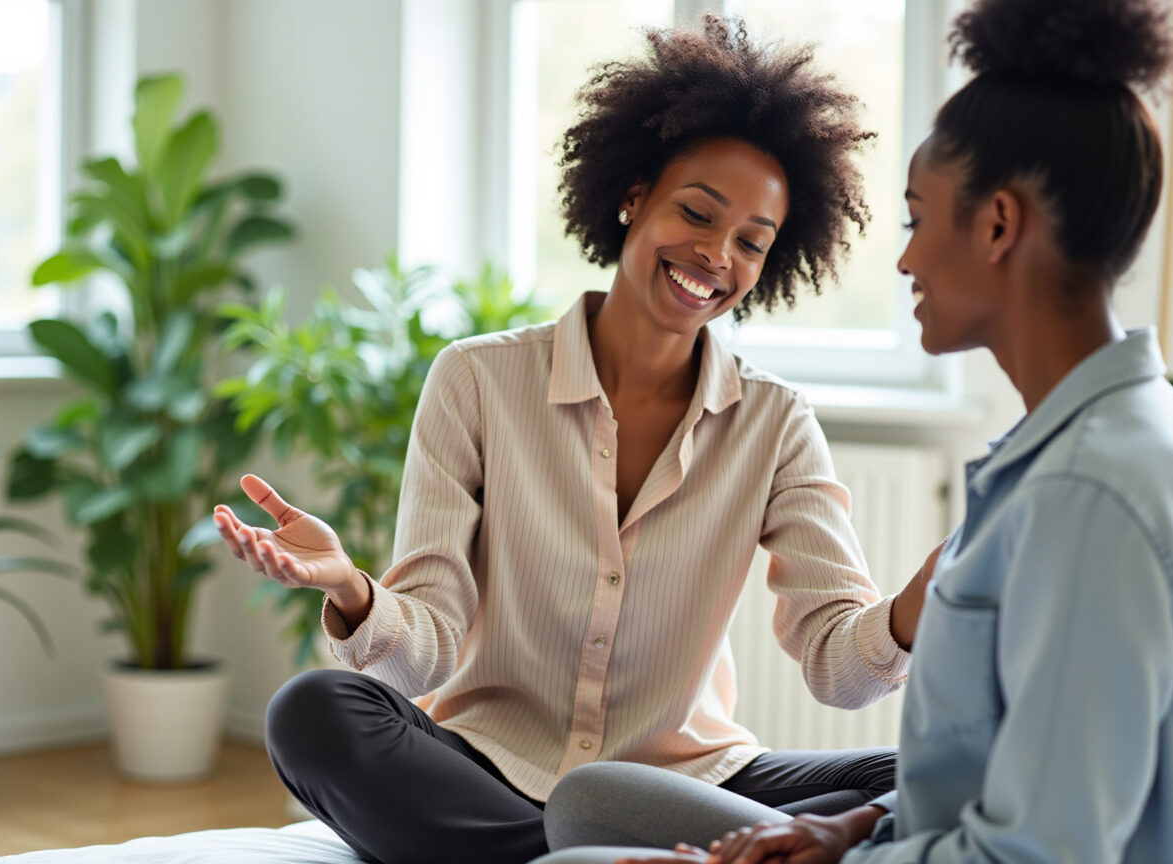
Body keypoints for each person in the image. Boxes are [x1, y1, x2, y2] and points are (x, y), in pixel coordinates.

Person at [532, 0, 1173, 862]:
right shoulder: (1082, 442)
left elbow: (1042, 853)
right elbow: (1009, 764)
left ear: (997, 224)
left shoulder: (1086, 489)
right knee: (589, 805)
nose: (906, 259)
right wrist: (849, 828)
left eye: (917, 219)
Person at [212, 17, 938, 864]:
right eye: (696, 214)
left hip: (692, 783)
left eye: (751, 242)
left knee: (924, 773)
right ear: (634, 193)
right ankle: (613, 855)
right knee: (313, 712)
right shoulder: (478, 380)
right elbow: (429, 645)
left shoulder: (774, 423)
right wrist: (351, 588)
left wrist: (915, 606)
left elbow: (834, 663)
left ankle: (599, 851)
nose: (715, 255)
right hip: (487, 765)